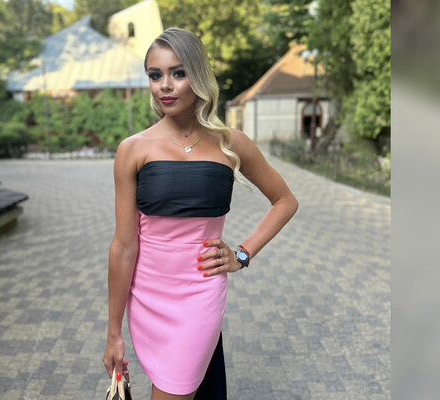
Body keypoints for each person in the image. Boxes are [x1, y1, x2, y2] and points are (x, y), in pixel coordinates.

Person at [102, 28, 298, 400]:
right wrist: (113, 332)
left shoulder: (231, 143)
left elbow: (285, 201)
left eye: (178, 73)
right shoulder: (132, 149)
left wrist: (242, 255)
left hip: (199, 294)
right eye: (155, 75)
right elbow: (124, 245)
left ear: (198, 76)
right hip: (146, 296)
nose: (165, 85)